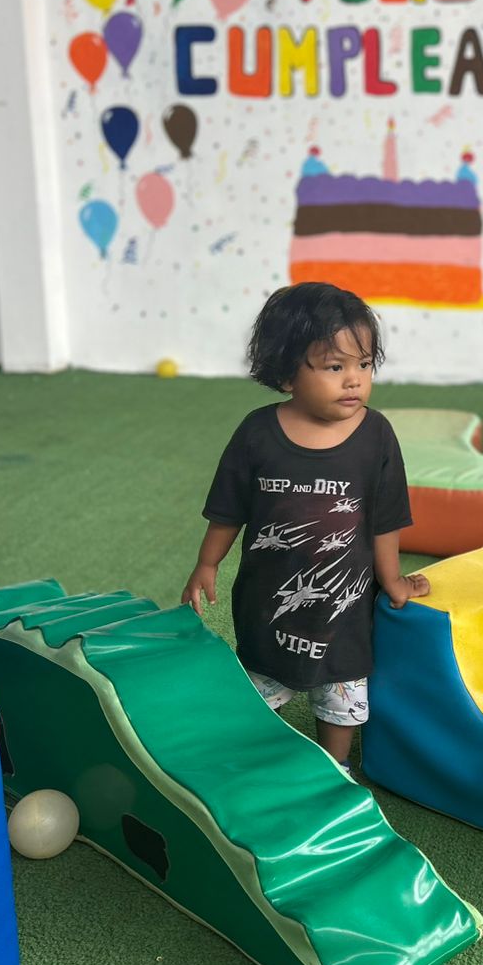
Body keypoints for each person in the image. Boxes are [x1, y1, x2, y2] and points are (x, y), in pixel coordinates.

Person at [181, 282, 429, 767]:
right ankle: (257, 761)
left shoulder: (376, 435)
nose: (354, 380)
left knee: (341, 699)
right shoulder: (257, 433)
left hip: (343, 613)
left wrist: (393, 580)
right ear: (286, 372)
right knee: (258, 691)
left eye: (364, 365)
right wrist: (206, 564)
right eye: (335, 367)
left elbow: (385, 520)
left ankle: (334, 770)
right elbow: (228, 509)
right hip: (267, 607)